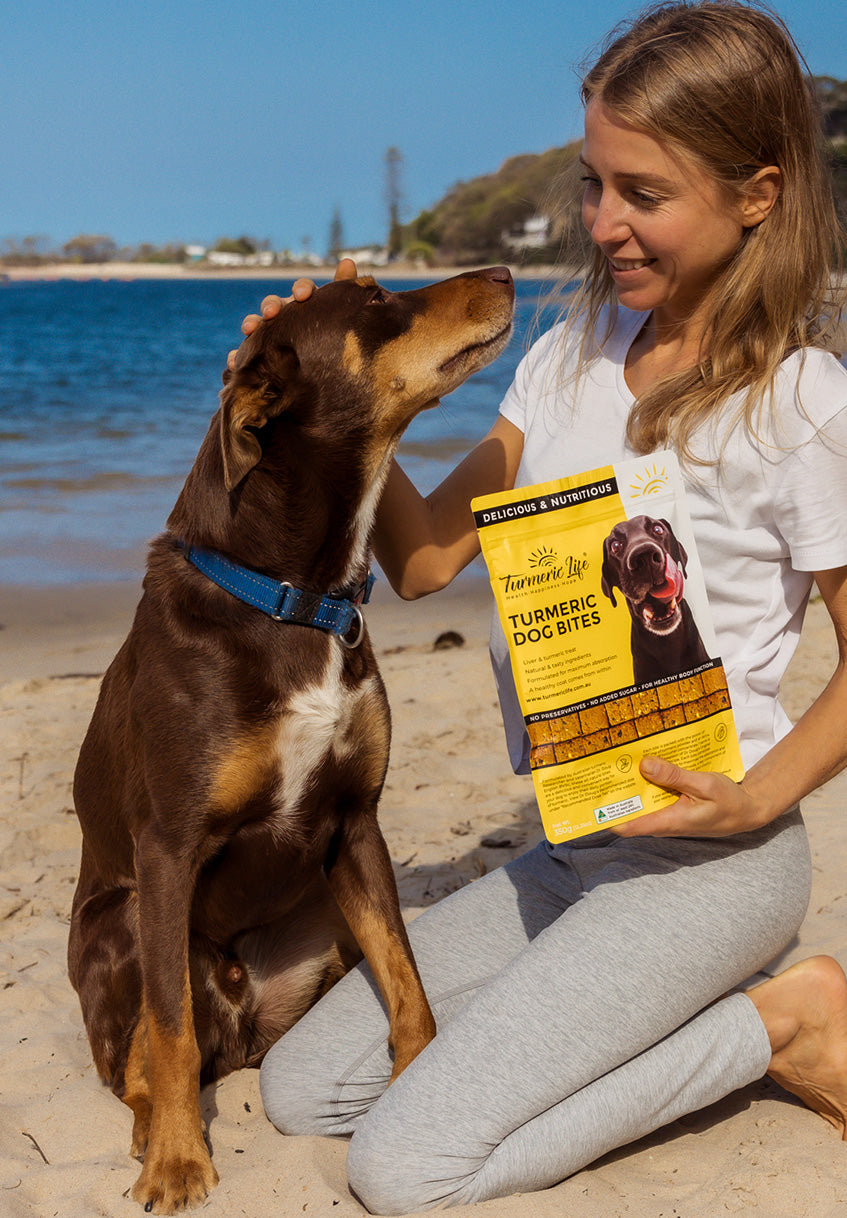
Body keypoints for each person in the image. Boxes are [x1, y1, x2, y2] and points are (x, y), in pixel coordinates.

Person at [235, 3, 847, 1211]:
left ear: (757, 195)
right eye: (590, 183)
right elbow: (424, 561)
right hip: (568, 852)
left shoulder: (801, 403)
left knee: (407, 1167)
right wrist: (330, 396)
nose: (602, 223)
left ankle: (784, 1021)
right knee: (304, 1089)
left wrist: (760, 796)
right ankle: (696, 1007)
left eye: (642, 193)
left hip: (713, 867)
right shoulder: (569, 357)